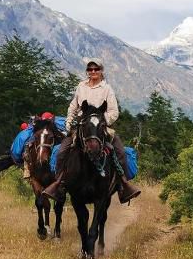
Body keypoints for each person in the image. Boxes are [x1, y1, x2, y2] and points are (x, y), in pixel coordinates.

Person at [42, 58, 141, 204]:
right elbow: (73, 106)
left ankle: (122, 185)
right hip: (82, 126)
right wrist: (69, 121)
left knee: (119, 151)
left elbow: (114, 111)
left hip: (101, 126)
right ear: (87, 72)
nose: (93, 72)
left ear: (101, 71)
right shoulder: (81, 86)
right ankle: (59, 184)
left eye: (96, 69)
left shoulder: (106, 89)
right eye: (90, 69)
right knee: (62, 151)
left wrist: (100, 122)